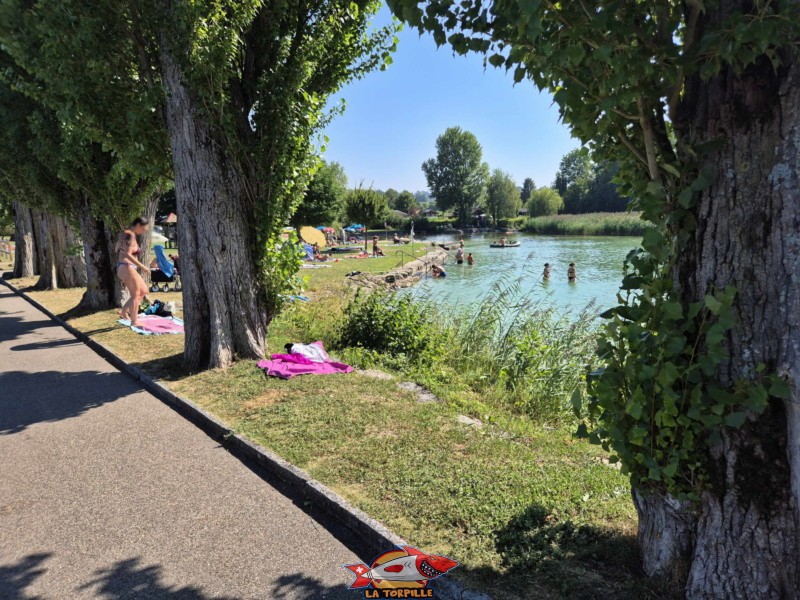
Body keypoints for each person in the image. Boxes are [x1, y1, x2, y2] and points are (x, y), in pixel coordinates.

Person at [115, 217, 151, 327]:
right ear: (138, 225)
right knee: (135, 294)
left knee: (143, 291)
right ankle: (134, 321)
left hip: (124, 267)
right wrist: (143, 267)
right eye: (144, 229)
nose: (144, 231)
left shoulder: (125, 234)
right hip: (127, 267)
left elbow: (116, 249)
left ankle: (123, 311)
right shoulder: (130, 235)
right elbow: (127, 254)